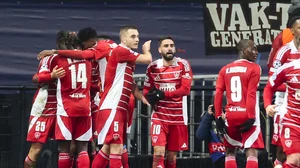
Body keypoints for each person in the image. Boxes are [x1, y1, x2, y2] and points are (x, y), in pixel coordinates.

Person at [91, 25, 152, 168]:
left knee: (108, 148)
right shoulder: (121, 50)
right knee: (117, 148)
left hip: (117, 107)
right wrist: (146, 50)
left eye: (137, 36)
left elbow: (129, 81)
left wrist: (140, 96)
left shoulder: (124, 54)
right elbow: (147, 59)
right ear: (123, 38)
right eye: (133, 36)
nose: (137, 39)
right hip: (112, 106)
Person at [24, 31, 72, 168]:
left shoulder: (78, 59)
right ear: (58, 44)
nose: (66, 47)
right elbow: (36, 79)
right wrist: (52, 75)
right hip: (45, 109)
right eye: (65, 43)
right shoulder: (49, 59)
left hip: (65, 110)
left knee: (68, 148)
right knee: (36, 149)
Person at [143, 36, 193, 168]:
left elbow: (185, 90)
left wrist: (164, 94)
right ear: (160, 50)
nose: (169, 48)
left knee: (172, 156)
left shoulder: (183, 64)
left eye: (172, 45)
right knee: (158, 152)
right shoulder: (152, 67)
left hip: (178, 118)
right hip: (159, 117)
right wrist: (149, 97)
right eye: (166, 46)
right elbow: (146, 90)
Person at [214, 39, 264, 168]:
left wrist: (218, 116)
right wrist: (251, 117)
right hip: (247, 114)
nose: (256, 52)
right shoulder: (255, 68)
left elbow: (218, 94)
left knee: (230, 152)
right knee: (251, 151)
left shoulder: (225, 69)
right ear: (243, 51)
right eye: (252, 49)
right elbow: (251, 94)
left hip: (231, 115)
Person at [264, 20, 300, 168]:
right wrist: (268, 105)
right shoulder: (285, 56)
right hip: (287, 108)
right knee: (287, 154)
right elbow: (271, 83)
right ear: (292, 30)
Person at [196, 104, 226, 168]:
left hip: (233, 156)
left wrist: (226, 119)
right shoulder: (209, 119)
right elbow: (200, 135)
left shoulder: (234, 115)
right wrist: (208, 115)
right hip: (216, 158)